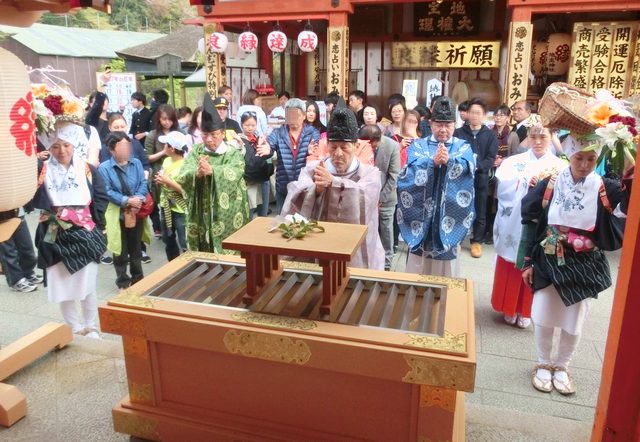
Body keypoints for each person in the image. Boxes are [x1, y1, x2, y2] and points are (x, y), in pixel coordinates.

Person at [521, 135, 629, 395]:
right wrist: (526, 261)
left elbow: (631, 199)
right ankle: (543, 362)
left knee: (574, 319)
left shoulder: (607, 186)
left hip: (584, 262)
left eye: (591, 159)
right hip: (549, 255)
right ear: (569, 156)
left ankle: (562, 365)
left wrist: (628, 161)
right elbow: (530, 221)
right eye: (579, 158)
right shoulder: (551, 182)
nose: (584, 165)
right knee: (544, 313)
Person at [280, 98, 385, 270]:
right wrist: (317, 190)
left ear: (356, 145)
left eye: (344, 147)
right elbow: (294, 199)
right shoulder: (313, 170)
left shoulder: (369, 174)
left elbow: (366, 198)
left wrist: (333, 183)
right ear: (326, 144)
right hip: (319, 246)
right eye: (333, 146)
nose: (338, 153)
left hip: (355, 250)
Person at [33, 123, 107, 338]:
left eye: (66, 145)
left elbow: (100, 196)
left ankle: (90, 326)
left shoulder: (87, 169)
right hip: (54, 228)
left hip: (85, 228)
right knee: (61, 282)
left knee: (88, 282)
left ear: (74, 145)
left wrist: (99, 224)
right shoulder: (42, 169)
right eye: (55, 146)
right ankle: (73, 328)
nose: (62, 151)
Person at [491, 123, 565, 329]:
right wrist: (525, 184)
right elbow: (504, 191)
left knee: (536, 262)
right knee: (512, 258)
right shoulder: (514, 162)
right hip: (516, 220)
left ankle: (526, 310)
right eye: (534, 137)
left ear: (551, 137)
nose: (538, 142)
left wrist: (543, 188)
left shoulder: (560, 167)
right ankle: (507, 306)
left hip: (542, 222)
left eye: (543, 137)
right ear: (528, 138)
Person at [397, 96, 476, 277]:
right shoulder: (418, 146)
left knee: (446, 274)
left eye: (447, 125)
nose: (443, 129)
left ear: (454, 125)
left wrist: (451, 163)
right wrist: (431, 163)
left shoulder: (463, 147)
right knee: (418, 269)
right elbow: (406, 175)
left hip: (447, 216)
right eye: (438, 124)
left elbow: (469, 170)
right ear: (430, 124)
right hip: (422, 216)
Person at [176, 94, 249, 253]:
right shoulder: (197, 151)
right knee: (205, 249)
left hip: (228, 211)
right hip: (202, 209)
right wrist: (197, 173)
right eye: (205, 135)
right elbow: (183, 174)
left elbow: (238, 171)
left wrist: (213, 171)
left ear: (222, 133)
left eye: (213, 135)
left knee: (230, 248)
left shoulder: (232, 152)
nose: (209, 140)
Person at [99, 131, 149, 290]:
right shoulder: (104, 168)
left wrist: (138, 199)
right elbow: (107, 191)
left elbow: (143, 183)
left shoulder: (136, 163)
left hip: (136, 211)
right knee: (120, 249)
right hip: (117, 212)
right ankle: (122, 280)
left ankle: (138, 278)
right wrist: (127, 200)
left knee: (136, 247)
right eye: (122, 146)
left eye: (128, 145)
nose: (127, 149)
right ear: (112, 149)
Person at [454, 98, 499, 258]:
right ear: (467, 114)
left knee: (480, 210)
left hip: (481, 178)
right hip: (460, 179)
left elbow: (490, 158)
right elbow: (455, 152)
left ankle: (476, 242)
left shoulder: (490, 135)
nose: (474, 116)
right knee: (459, 208)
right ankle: (456, 239)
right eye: (472, 112)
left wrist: (477, 165)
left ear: (484, 115)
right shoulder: (458, 133)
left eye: (478, 113)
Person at [264, 98, 320, 213]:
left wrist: (309, 153)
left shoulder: (312, 132)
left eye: (297, 115)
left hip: (305, 188)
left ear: (304, 116)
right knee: (282, 221)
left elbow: (317, 153)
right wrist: (266, 149)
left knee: (303, 221)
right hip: (284, 186)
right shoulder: (278, 133)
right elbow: (269, 146)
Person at [358, 124, 400, 270]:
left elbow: (394, 176)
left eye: (371, 144)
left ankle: (387, 262)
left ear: (377, 140)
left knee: (386, 229)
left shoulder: (392, 146)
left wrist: (380, 198)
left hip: (386, 198)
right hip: (365, 199)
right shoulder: (359, 145)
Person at [145, 104, 180, 238]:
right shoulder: (153, 135)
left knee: (178, 202)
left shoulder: (179, 133)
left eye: (170, 119)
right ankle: (166, 230)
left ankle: (176, 228)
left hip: (177, 173)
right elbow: (147, 157)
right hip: (159, 174)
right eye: (164, 119)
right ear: (159, 119)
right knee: (164, 204)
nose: (167, 122)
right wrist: (163, 152)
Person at [154, 131, 188, 261]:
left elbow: (185, 191)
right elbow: (163, 176)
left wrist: (167, 182)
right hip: (166, 205)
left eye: (166, 145)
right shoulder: (167, 160)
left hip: (180, 208)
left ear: (172, 148)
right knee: (168, 238)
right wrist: (160, 180)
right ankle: (172, 263)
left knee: (184, 239)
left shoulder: (185, 165)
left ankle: (187, 264)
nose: (164, 147)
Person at [240, 112, 273, 218]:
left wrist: (268, 150)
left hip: (263, 179)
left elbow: (271, 155)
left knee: (263, 213)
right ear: (241, 125)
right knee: (249, 212)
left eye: (253, 125)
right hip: (249, 181)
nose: (250, 128)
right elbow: (249, 161)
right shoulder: (239, 141)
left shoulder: (260, 139)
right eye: (247, 125)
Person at [0, 210, 42, 292]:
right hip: (1, 215)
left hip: (17, 210)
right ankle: (16, 280)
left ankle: (27, 272)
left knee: (26, 247)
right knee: (8, 250)